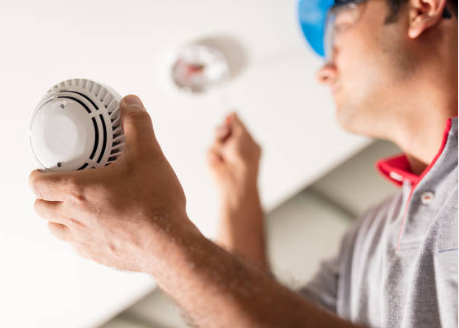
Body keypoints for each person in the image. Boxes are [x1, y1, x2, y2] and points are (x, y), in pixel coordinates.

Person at [29, 0, 458, 326]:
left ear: (421, 8)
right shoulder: (372, 233)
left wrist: (157, 241)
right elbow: (261, 312)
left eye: (341, 27)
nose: (324, 71)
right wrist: (238, 196)